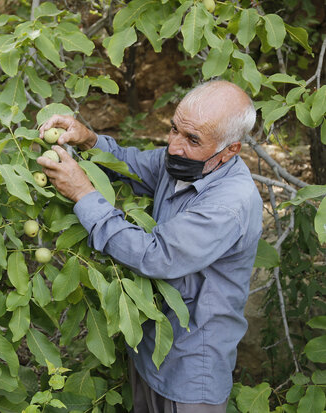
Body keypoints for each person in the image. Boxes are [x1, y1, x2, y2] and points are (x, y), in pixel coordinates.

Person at [37, 80, 263, 413]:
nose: (174, 146)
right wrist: (90, 140)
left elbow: (155, 256)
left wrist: (84, 194)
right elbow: (130, 165)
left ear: (230, 150)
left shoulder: (229, 204)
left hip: (191, 369)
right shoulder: (185, 161)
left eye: (192, 139)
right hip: (149, 350)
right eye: (173, 129)